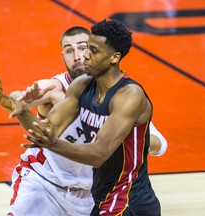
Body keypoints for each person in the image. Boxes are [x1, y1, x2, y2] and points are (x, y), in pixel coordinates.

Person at [9, 20, 162, 215]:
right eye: (87, 48)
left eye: (93, 50)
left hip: (128, 201)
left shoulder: (129, 95)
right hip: (102, 199)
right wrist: (22, 110)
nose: (84, 56)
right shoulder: (81, 85)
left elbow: (98, 154)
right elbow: (45, 132)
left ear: (114, 58)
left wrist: (52, 143)